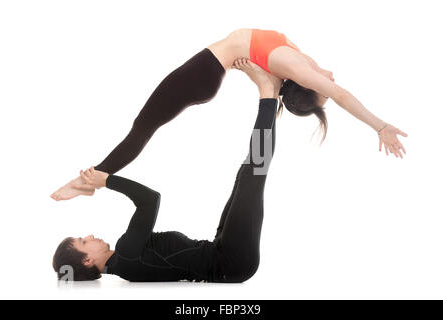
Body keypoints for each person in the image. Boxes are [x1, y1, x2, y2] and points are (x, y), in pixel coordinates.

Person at [51, 28, 408, 201]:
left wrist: (380, 126)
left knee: (141, 129)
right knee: (142, 128)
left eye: (323, 92)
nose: (331, 83)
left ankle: (92, 180)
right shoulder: (300, 61)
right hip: (206, 73)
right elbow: (328, 83)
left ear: (309, 86)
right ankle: (96, 177)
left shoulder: (298, 69)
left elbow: (342, 95)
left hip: (203, 72)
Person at [52, 60, 281, 282]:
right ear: (87, 261)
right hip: (230, 261)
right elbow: (149, 200)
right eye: (83, 241)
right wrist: (107, 181)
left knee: (250, 171)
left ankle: (272, 96)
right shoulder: (126, 253)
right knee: (253, 170)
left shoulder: (125, 264)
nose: (89, 236)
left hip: (224, 254)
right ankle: (267, 92)